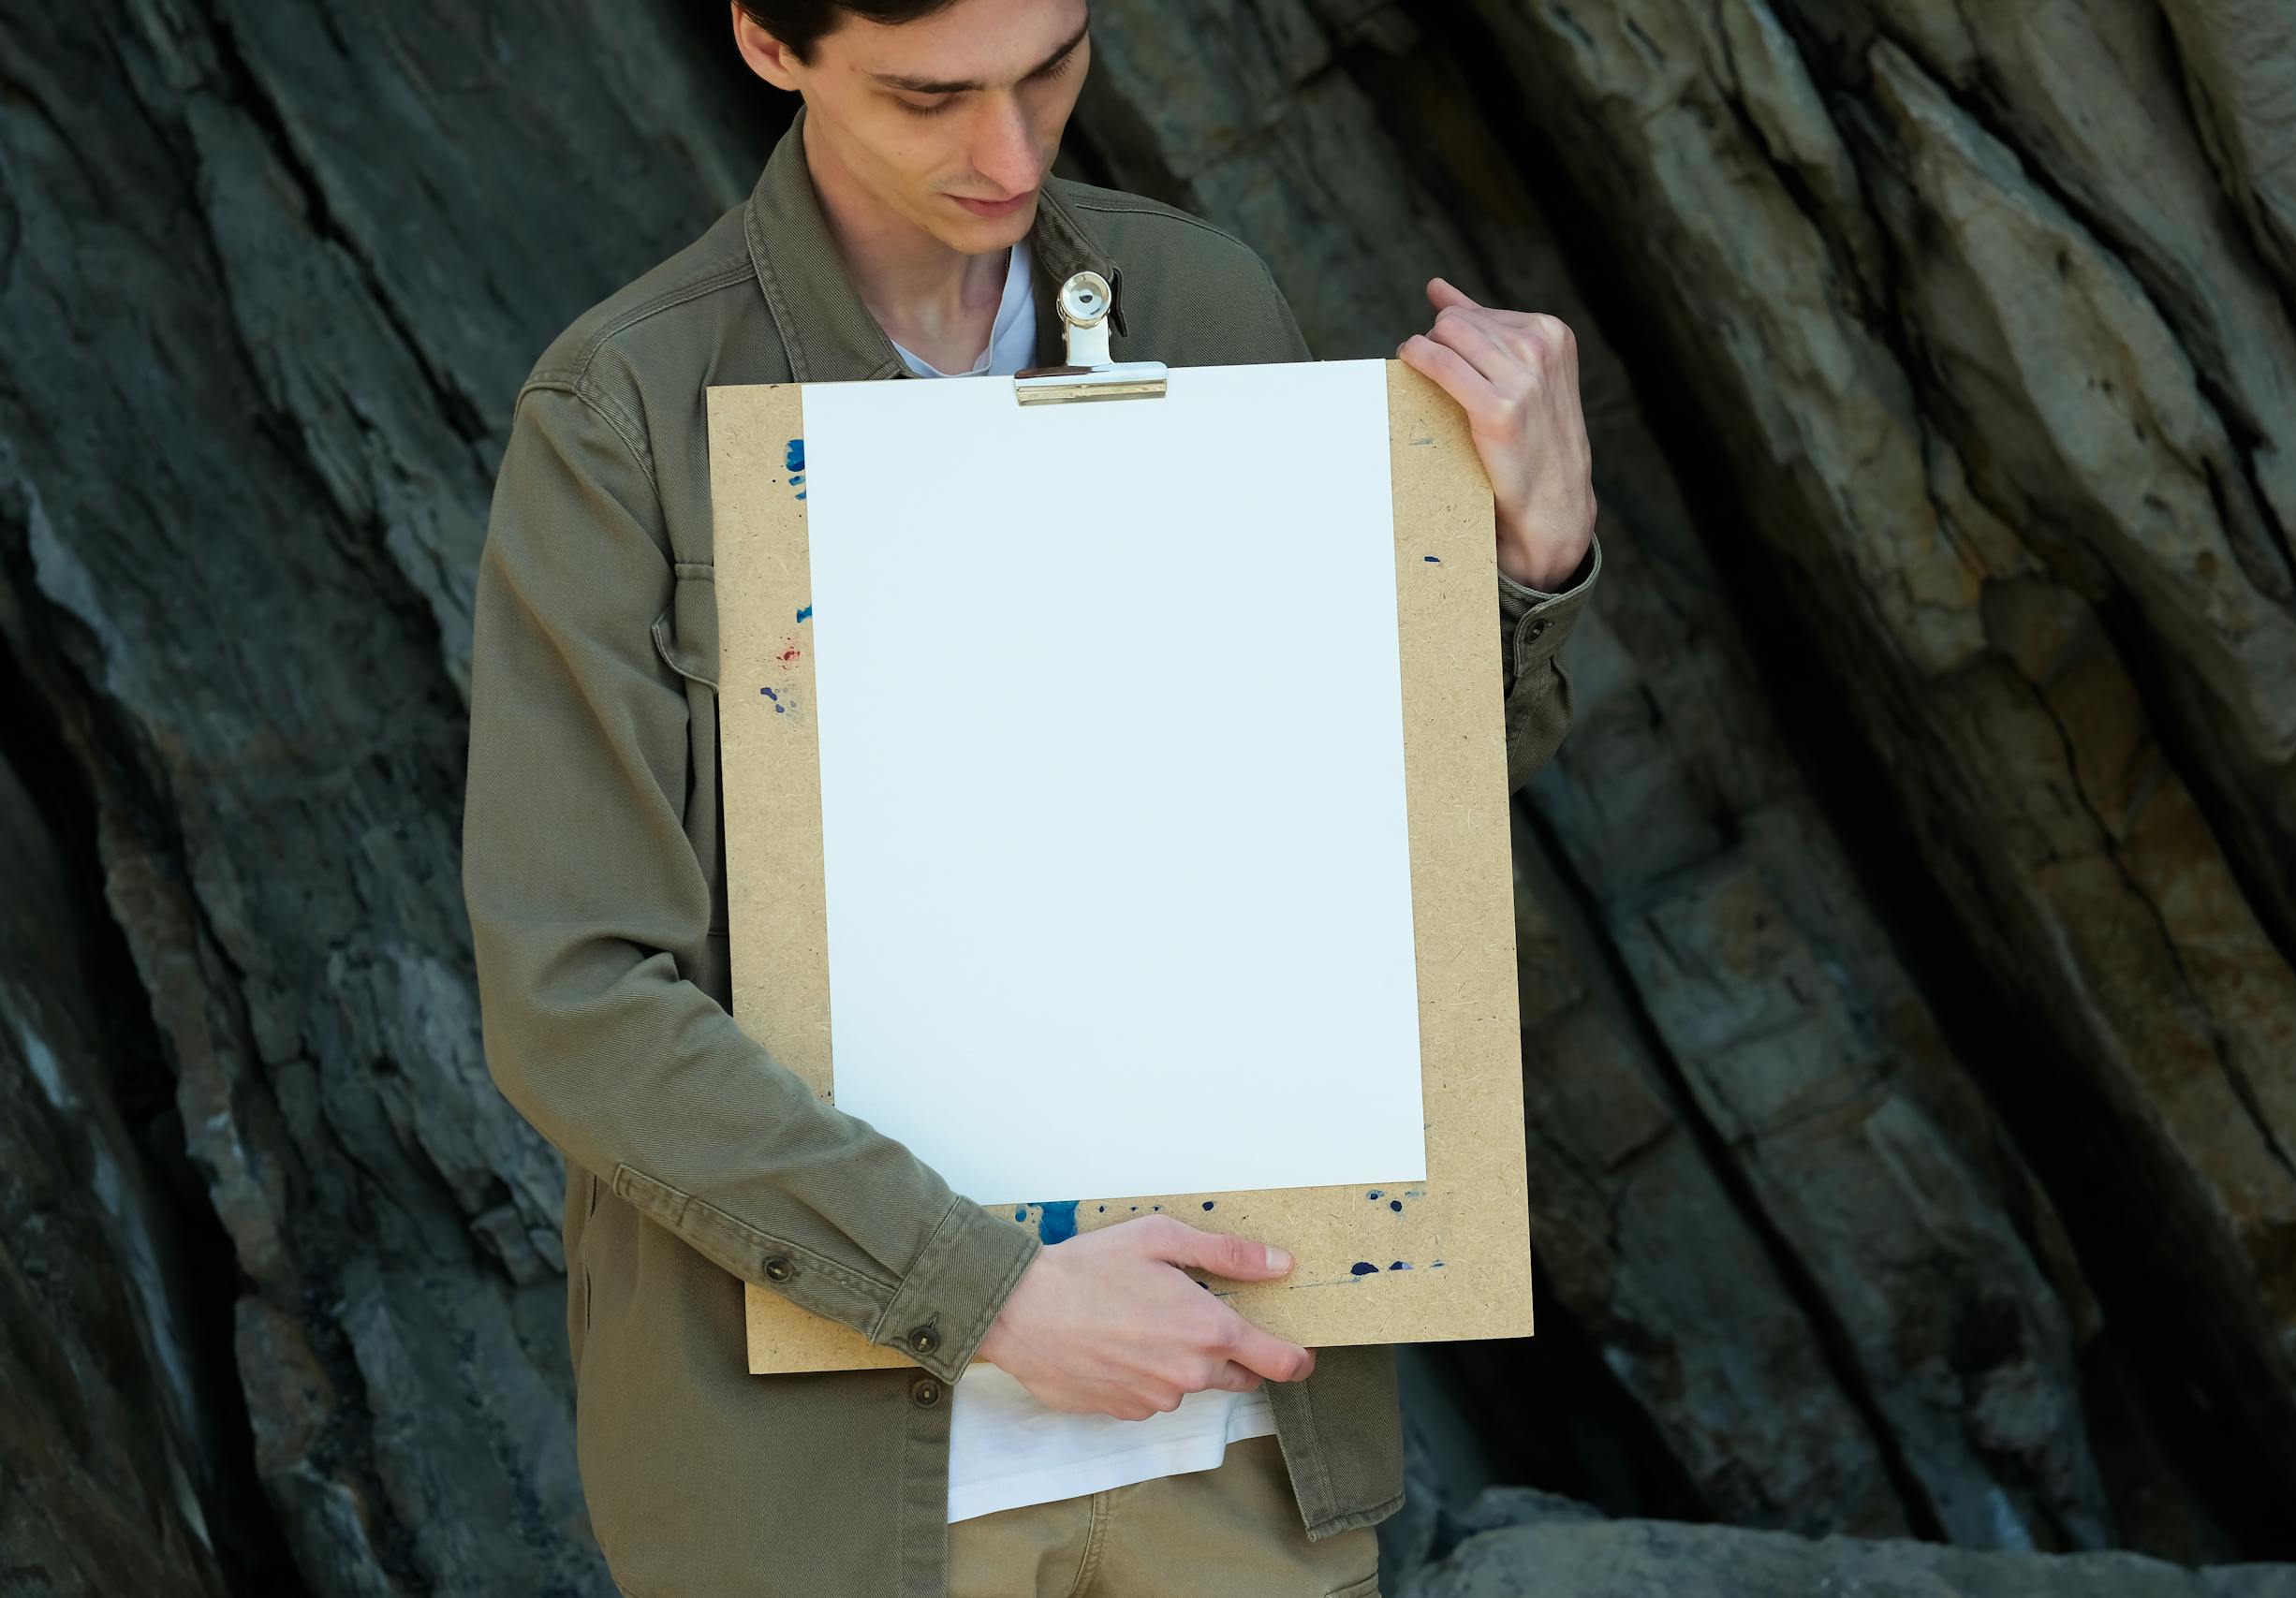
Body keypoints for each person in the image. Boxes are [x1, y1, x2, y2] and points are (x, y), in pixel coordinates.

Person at [459, 2, 1602, 1594]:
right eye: (931, 96)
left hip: (1244, 1441)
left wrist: (1528, 563)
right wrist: (992, 1294)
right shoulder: (627, 407)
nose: (1010, 151)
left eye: (1051, 66)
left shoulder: (1207, 304)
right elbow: (572, 998)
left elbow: (1356, 837)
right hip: (826, 1505)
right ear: (768, 42)